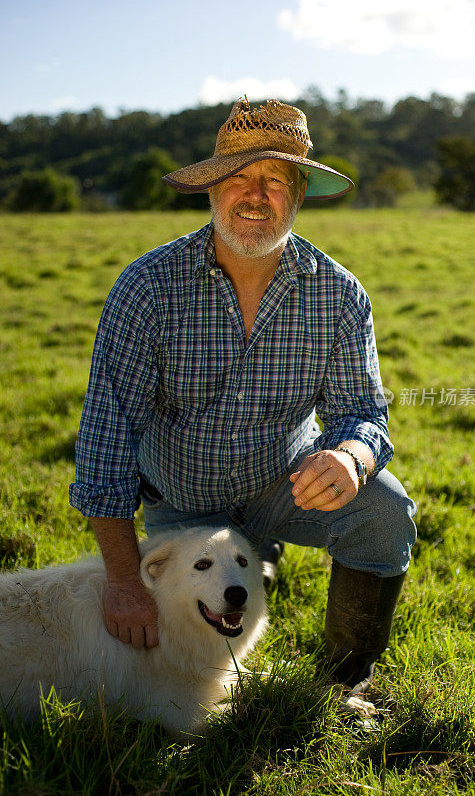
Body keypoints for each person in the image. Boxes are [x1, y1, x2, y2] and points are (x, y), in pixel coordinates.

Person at [70, 97, 416, 704]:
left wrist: (353, 458)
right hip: (180, 503)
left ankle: (344, 684)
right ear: (213, 189)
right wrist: (123, 579)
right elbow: (105, 438)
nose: (255, 194)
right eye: (239, 177)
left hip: (285, 485)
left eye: (275, 180)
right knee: (161, 668)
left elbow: (364, 411)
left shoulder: (337, 294)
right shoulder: (147, 286)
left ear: (299, 195)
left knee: (385, 511)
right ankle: (245, 556)